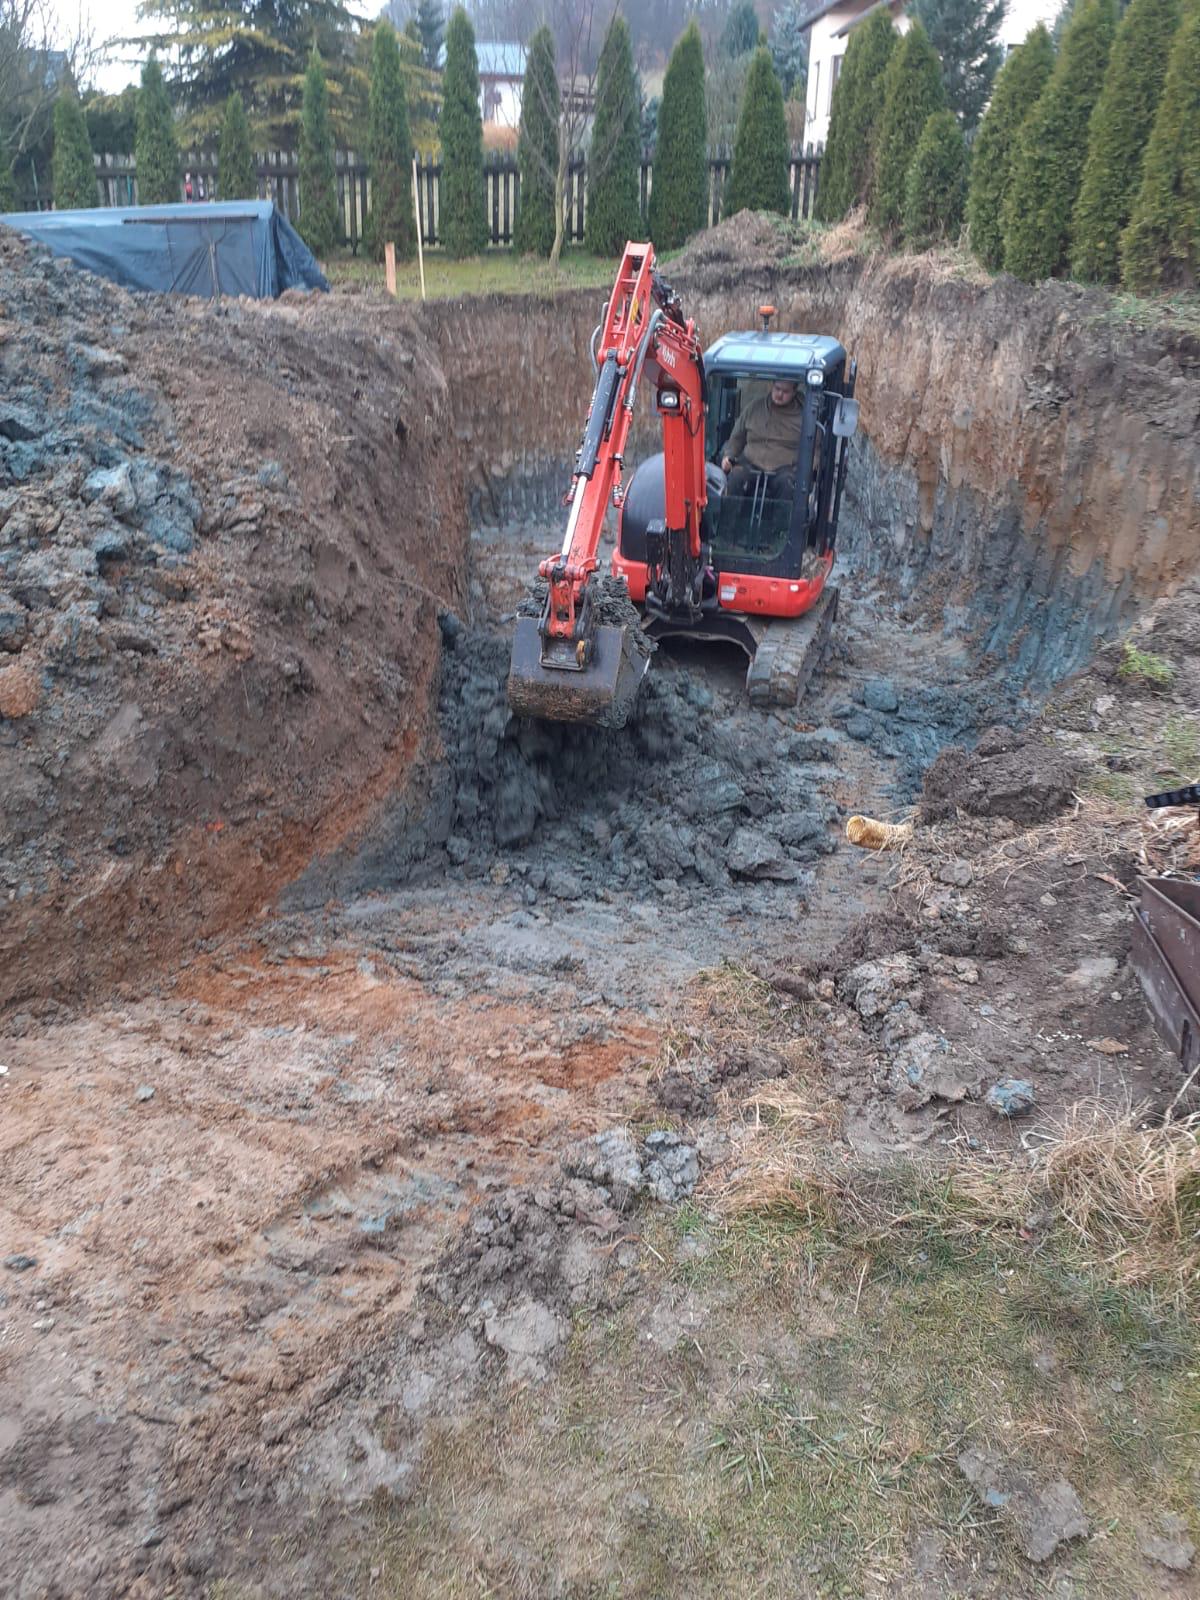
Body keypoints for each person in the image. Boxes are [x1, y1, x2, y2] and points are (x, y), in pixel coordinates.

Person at [720, 378, 803, 503]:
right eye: (777, 389)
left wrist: (804, 469)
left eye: (785, 391)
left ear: (794, 391)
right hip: (751, 463)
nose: (780, 394)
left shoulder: (803, 416)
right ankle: (728, 522)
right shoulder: (754, 408)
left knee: (788, 485)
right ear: (772, 385)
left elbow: (815, 449)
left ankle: (780, 522)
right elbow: (737, 437)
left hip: (785, 468)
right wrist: (728, 456)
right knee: (736, 477)